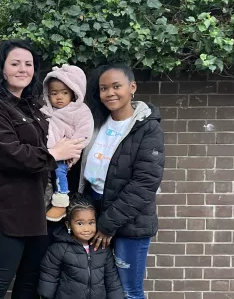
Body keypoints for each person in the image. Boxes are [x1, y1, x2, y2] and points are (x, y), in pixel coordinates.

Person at [0, 40, 86, 299]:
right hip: (6, 213)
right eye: (15, 63)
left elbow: (51, 142)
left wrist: (67, 151)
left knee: (28, 283)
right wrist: (55, 154)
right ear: (1, 69)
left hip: (36, 210)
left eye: (29, 64)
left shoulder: (31, 107)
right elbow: (9, 155)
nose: (23, 69)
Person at [78, 63, 165, 299]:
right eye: (104, 88)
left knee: (129, 291)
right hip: (94, 215)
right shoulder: (96, 123)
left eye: (117, 86)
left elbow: (145, 183)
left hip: (130, 221)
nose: (110, 93)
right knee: (100, 288)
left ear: (132, 87)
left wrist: (108, 224)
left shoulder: (147, 128)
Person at [38, 195, 124, 299]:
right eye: (80, 223)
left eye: (91, 223)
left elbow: (112, 281)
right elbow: (49, 277)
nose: (87, 229)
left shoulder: (103, 249)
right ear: (68, 225)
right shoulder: (59, 249)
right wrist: (46, 296)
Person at [40, 65, 94, 222]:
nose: (59, 97)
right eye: (54, 93)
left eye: (64, 93)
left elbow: (84, 132)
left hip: (66, 152)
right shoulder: (46, 111)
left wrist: (72, 149)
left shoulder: (79, 110)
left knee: (60, 172)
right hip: (47, 153)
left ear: (73, 93)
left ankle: (61, 201)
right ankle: (49, 203)